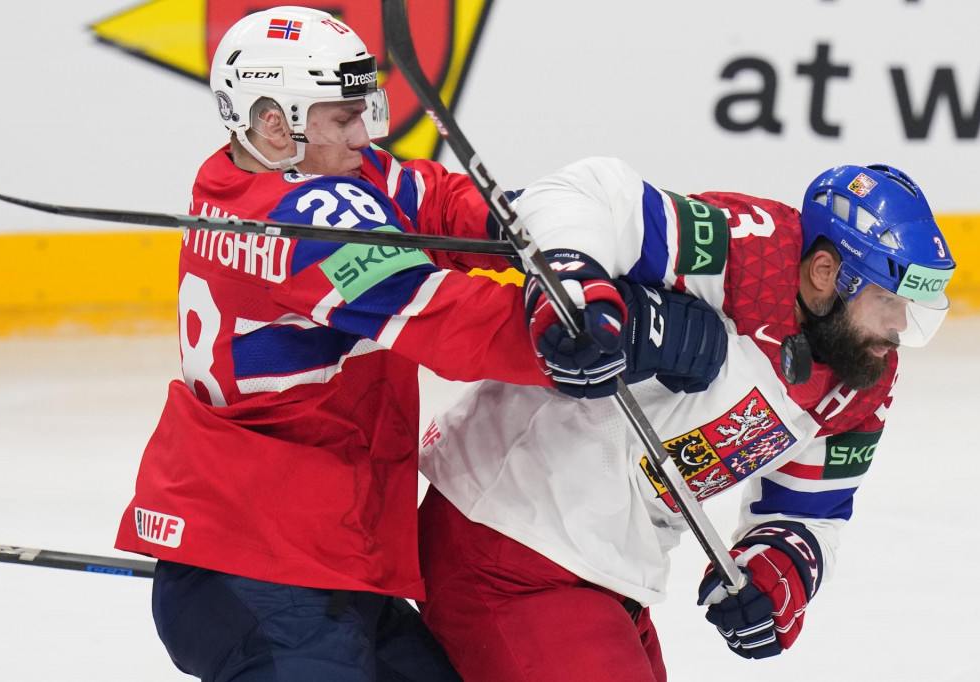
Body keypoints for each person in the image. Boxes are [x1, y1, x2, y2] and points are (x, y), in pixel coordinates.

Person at [114, 8, 630, 682]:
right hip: (258, 571)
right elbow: (441, 316)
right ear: (275, 122)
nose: (364, 135)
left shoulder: (271, 177)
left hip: (322, 559)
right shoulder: (305, 219)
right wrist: (578, 327)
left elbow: (439, 203)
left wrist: (555, 240)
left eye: (363, 112)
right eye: (342, 118)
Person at [415, 157, 956, 681]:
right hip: (507, 537)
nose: (898, 326)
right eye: (888, 298)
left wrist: (777, 571)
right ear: (824, 272)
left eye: (912, 307)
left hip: (610, 570)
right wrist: (579, 292)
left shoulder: (860, 381)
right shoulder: (745, 255)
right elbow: (589, 194)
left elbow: (810, 512)